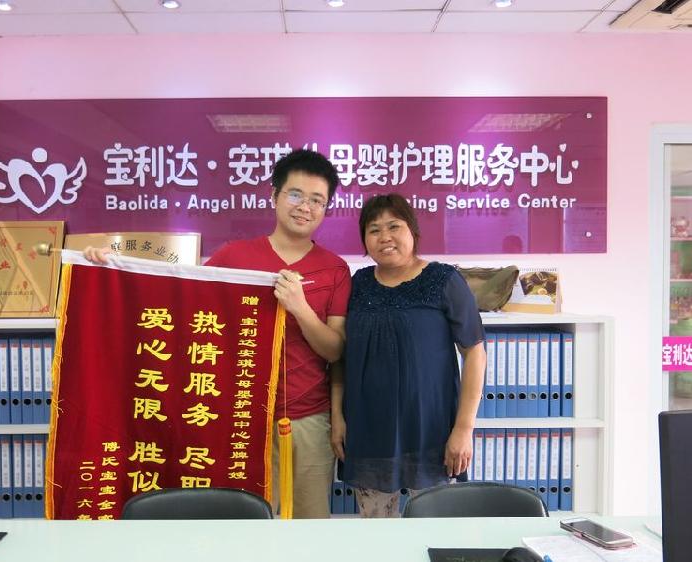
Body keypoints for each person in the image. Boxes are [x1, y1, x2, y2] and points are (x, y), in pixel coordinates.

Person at [86, 149, 350, 518]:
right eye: (295, 194)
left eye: (317, 200)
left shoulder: (334, 269)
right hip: (236, 417)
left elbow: (335, 350)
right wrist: (110, 267)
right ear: (274, 196)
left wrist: (300, 308)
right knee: (242, 526)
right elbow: (177, 304)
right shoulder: (233, 257)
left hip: (306, 420)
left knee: (309, 525)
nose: (305, 207)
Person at [331, 193, 486, 518]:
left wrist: (464, 428)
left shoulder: (443, 280)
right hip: (369, 431)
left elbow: (474, 352)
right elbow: (342, 355)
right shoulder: (357, 284)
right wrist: (338, 417)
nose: (384, 237)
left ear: (412, 231)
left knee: (432, 530)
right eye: (373, 230)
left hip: (431, 431)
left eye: (394, 226)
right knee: (376, 529)